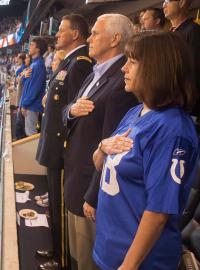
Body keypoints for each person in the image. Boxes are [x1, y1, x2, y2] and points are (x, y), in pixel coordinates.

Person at [92, 32, 199, 270]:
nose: (123, 69)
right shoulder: (136, 113)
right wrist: (102, 147)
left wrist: (128, 266)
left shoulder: (173, 129)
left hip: (142, 262)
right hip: (110, 250)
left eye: (132, 61)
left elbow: (158, 211)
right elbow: (100, 164)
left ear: (156, 68)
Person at [62, 13, 138, 270]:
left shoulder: (122, 82)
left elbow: (113, 146)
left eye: (95, 33)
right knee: (73, 255)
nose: (90, 38)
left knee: (85, 260)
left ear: (115, 38)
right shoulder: (94, 72)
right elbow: (68, 109)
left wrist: (93, 196)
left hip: (89, 189)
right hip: (74, 177)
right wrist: (71, 110)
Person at [36, 14, 93, 270]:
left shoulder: (80, 63)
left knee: (60, 206)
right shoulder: (69, 61)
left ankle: (61, 258)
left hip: (62, 147)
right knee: (55, 203)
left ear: (76, 35)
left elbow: (75, 112)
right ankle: (56, 248)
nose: (57, 35)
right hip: (53, 143)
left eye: (61, 30)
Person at [163, 0, 200, 120]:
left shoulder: (193, 31)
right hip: (169, 101)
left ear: (182, 2)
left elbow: (194, 71)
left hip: (186, 106)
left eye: (168, 0)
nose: (164, 4)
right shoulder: (170, 33)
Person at [20, 37, 47, 136]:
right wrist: (24, 75)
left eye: (31, 45)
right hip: (29, 105)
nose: (29, 47)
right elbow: (24, 82)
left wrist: (25, 104)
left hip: (32, 106)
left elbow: (34, 89)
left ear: (38, 49)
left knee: (31, 135)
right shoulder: (34, 64)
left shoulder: (38, 65)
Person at [15, 54, 32, 140]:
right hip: (21, 100)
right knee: (20, 125)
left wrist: (24, 105)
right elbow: (17, 79)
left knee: (21, 126)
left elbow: (23, 82)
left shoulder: (30, 70)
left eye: (27, 58)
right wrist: (22, 75)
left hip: (25, 102)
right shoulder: (25, 69)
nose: (26, 59)